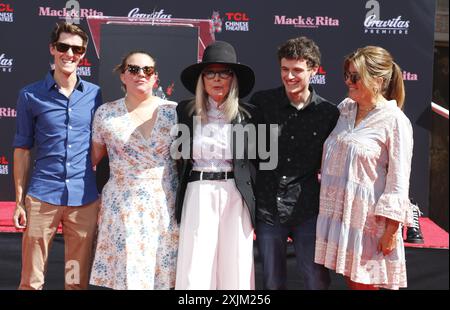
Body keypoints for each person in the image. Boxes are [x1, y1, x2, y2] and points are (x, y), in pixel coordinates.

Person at [314, 46, 414, 290]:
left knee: (364, 285)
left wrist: (390, 231)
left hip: (370, 222)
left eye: (355, 76)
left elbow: (399, 181)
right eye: (347, 75)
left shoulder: (395, 120)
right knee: (353, 282)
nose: (348, 81)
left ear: (377, 81)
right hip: (340, 215)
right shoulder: (345, 108)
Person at [12, 22, 102, 290]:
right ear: (53, 49)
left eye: (77, 49)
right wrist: (19, 201)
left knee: (75, 282)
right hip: (42, 199)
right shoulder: (30, 95)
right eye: (63, 47)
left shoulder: (96, 96)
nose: (70, 54)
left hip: (83, 201)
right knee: (31, 281)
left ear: (83, 54)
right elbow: (22, 149)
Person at [249, 37, 339, 290]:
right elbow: (250, 153)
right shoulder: (262, 103)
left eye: (297, 70)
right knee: (272, 281)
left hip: (308, 209)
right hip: (268, 208)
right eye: (284, 69)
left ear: (314, 69)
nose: (289, 76)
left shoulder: (328, 113)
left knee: (315, 279)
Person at [89, 51, 179, 289]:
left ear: (155, 77)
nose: (141, 74)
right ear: (122, 75)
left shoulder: (174, 112)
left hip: (164, 204)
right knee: (128, 275)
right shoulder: (106, 113)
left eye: (147, 70)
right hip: (122, 205)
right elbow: (93, 157)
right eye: (134, 69)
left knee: (163, 274)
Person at [174, 41, 256, 289]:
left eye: (224, 73)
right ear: (202, 78)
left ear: (234, 79)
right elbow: (176, 157)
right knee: (196, 261)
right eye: (210, 73)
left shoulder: (250, 114)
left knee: (237, 261)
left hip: (235, 192)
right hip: (198, 191)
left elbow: (260, 162)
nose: (217, 79)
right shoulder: (184, 112)